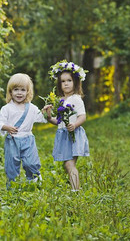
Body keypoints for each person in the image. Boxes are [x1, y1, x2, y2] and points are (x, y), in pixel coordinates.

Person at [0, 73, 48, 188]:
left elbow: (42, 118)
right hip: (12, 140)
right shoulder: (7, 108)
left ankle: (34, 182)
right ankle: (13, 186)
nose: (19, 93)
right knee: (11, 165)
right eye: (16, 89)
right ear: (10, 92)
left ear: (28, 92)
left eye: (23, 90)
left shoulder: (32, 108)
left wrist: (46, 112)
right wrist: (6, 127)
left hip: (28, 139)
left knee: (31, 163)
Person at [45, 60, 89, 191]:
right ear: (59, 84)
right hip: (63, 135)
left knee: (70, 164)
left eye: (69, 80)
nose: (66, 84)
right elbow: (58, 121)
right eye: (63, 81)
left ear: (75, 82)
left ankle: (76, 191)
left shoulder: (76, 98)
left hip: (73, 134)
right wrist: (48, 117)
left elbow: (83, 116)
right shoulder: (61, 100)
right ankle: (74, 187)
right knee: (67, 164)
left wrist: (74, 125)